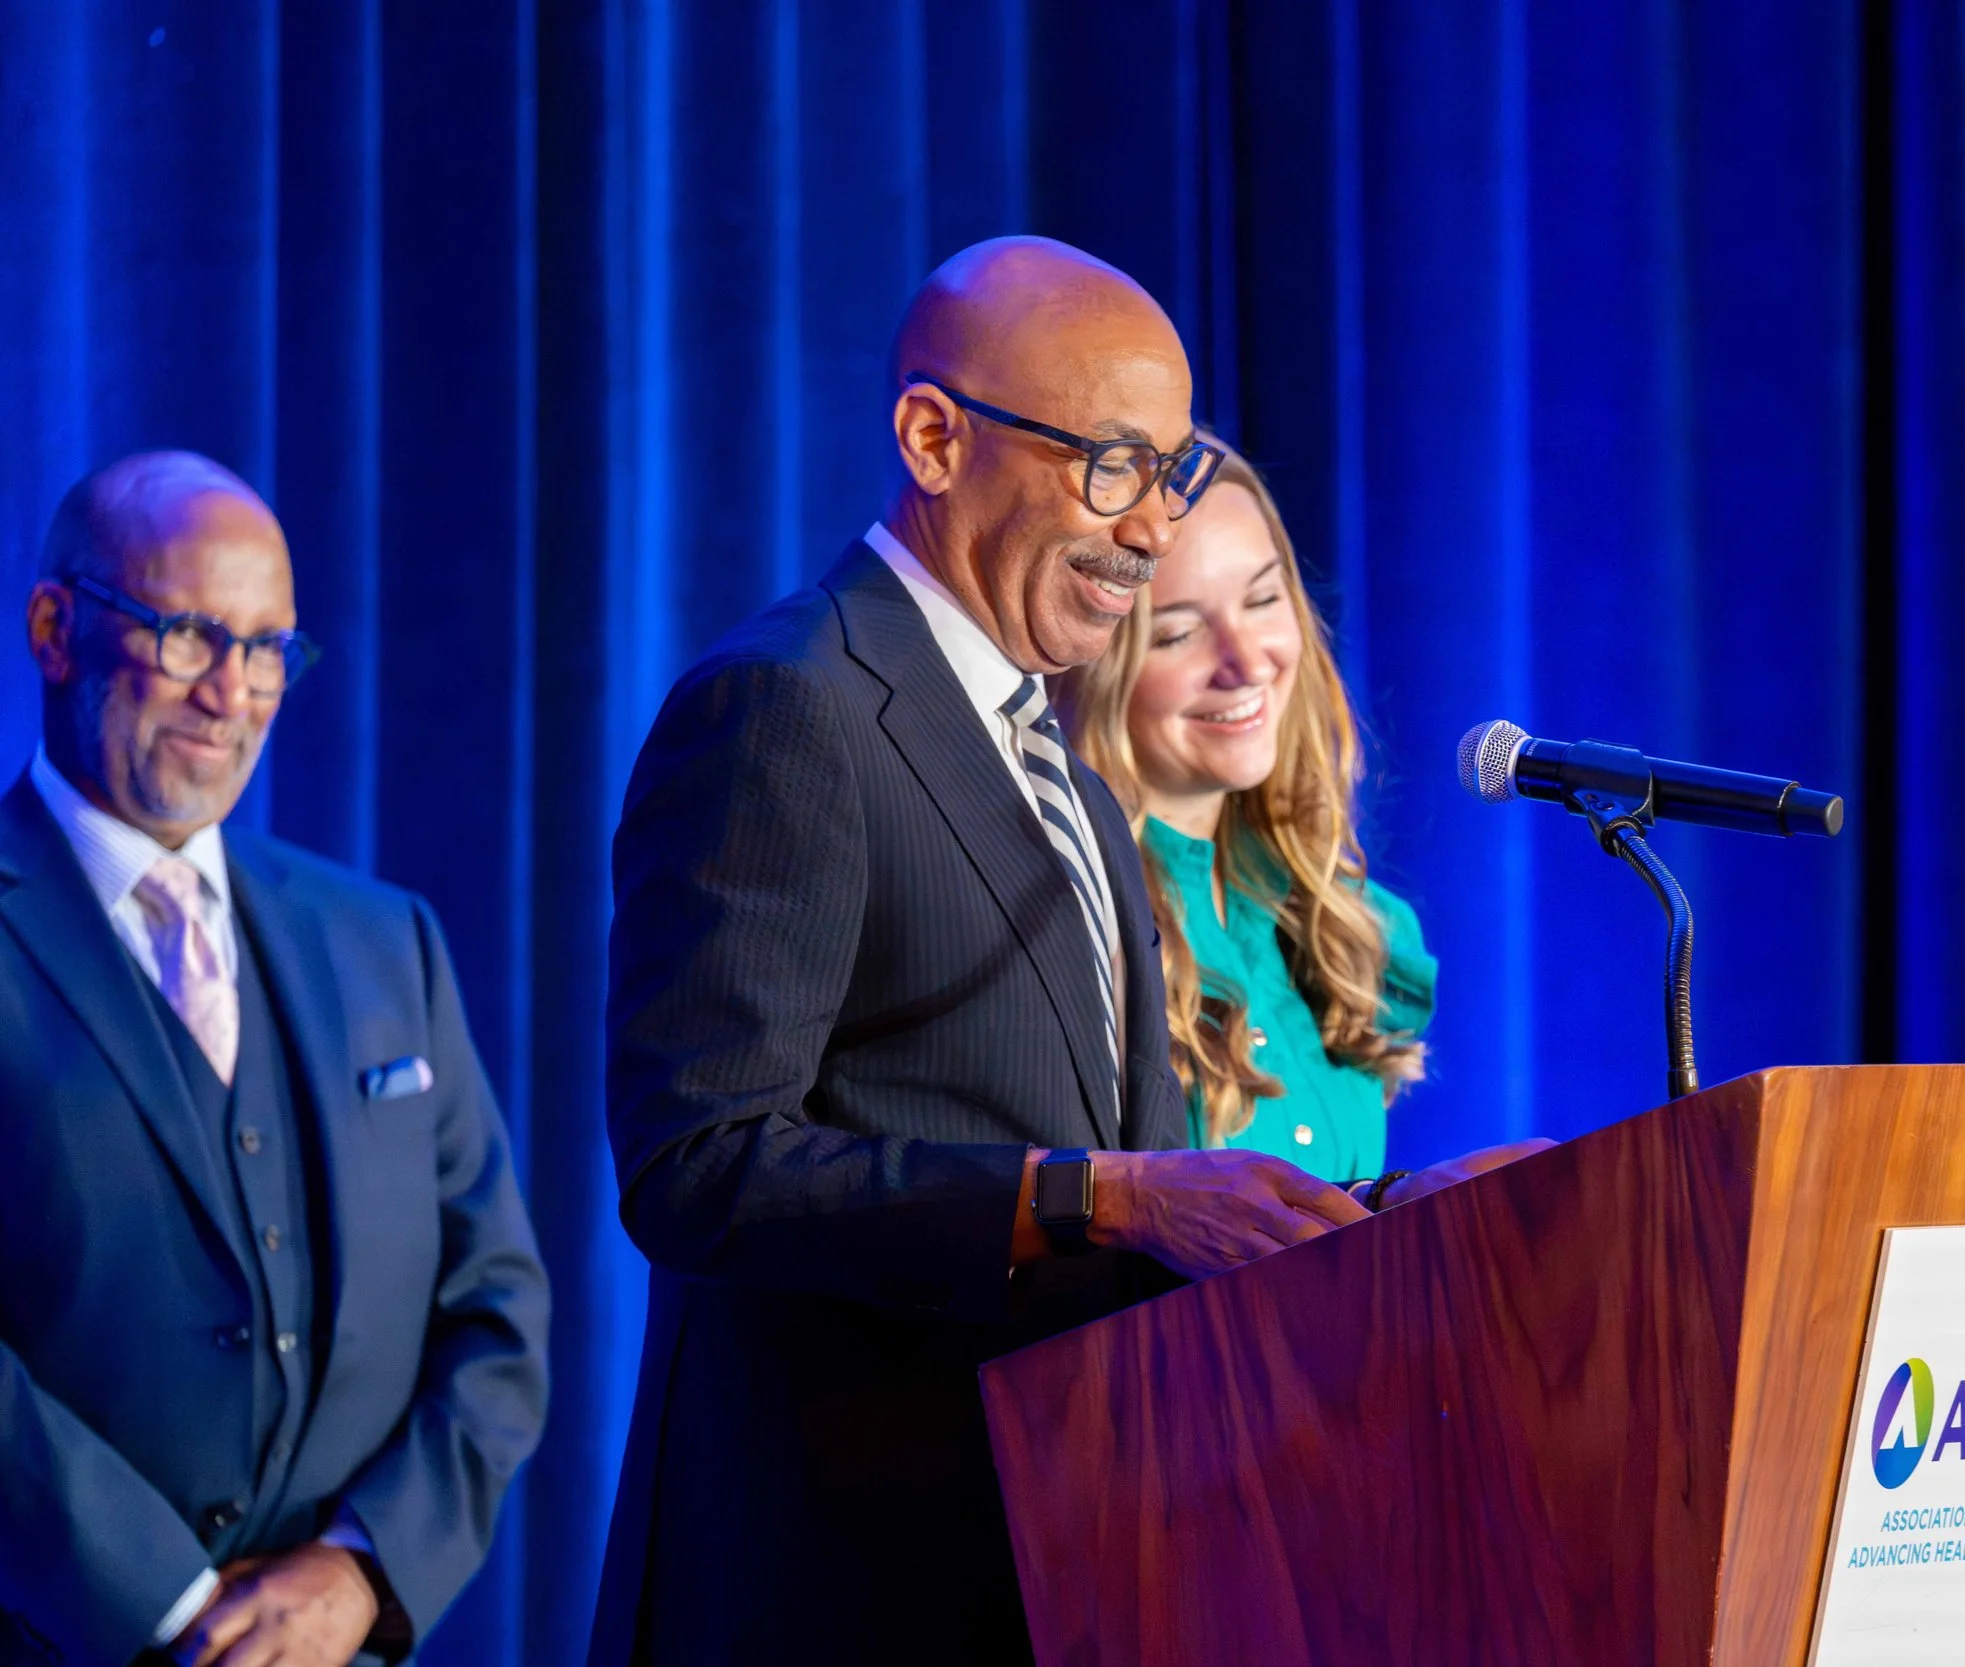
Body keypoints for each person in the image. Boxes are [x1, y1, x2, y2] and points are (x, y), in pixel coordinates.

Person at [589, 238, 1377, 1665]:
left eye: (1172, 472)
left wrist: (1403, 1214)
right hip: (832, 1590)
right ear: (934, 437)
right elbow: (694, 1162)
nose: (1148, 532)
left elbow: (1143, 1186)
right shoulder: (786, 711)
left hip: (1065, 1569)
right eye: (1111, 466)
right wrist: (1093, 1194)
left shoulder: (1066, 772)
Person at [0, 453, 551, 1667]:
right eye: (189, 636)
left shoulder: (382, 937)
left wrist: (362, 1571)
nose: (232, 692)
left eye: (267, 650)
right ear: (54, 628)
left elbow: (498, 1314)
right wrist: (162, 1602)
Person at [1056, 443, 1545, 1198]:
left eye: (1262, 599)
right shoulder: (1067, 926)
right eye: (1179, 632)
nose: (1246, 661)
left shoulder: (1343, 925)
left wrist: (1412, 1203)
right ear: (1093, 661)